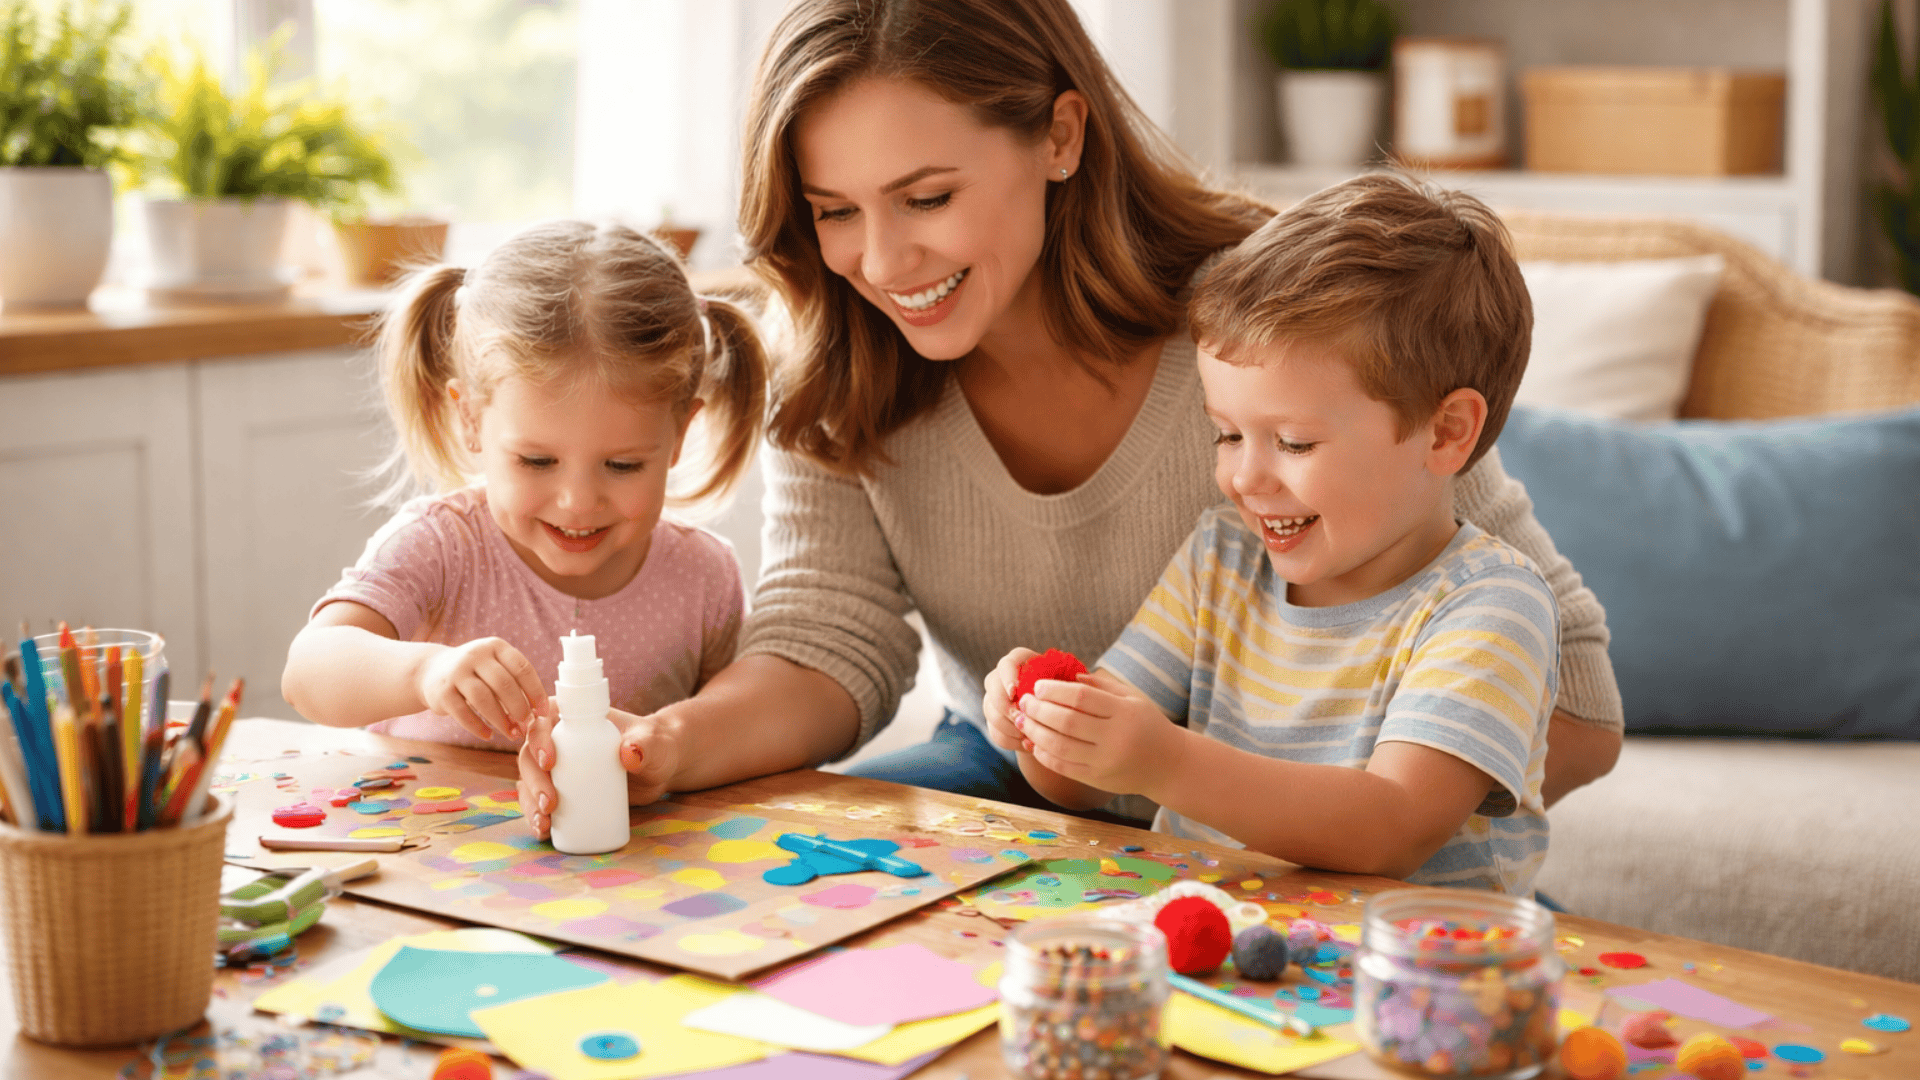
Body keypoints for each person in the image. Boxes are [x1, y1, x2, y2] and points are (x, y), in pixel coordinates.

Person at [515, 0, 1621, 840]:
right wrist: (666, 743)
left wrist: (1323, 797)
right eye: (835, 212)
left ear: (1059, 135)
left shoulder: (1276, 323)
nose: (883, 263)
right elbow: (823, 642)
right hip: (1017, 764)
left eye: (928, 197)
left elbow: (1572, 693)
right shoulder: (839, 366)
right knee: (784, 871)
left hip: (1302, 789)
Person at [986, 175, 1554, 893]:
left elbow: (1392, 827)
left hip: (1404, 981)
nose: (1243, 478)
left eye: (1292, 442)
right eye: (1226, 434)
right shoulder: (1220, 559)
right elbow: (1077, 782)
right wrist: (1047, 722)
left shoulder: (1492, 605)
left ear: (1445, 433)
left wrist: (1163, 761)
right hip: (1216, 950)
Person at [282, 221, 768, 765]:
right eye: (537, 461)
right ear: (469, 417)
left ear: (678, 435)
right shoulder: (442, 547)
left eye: (623, 465)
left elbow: (738, 730)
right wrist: (425, 672)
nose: (578, 502)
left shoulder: (703, 576)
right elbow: (308, 671)